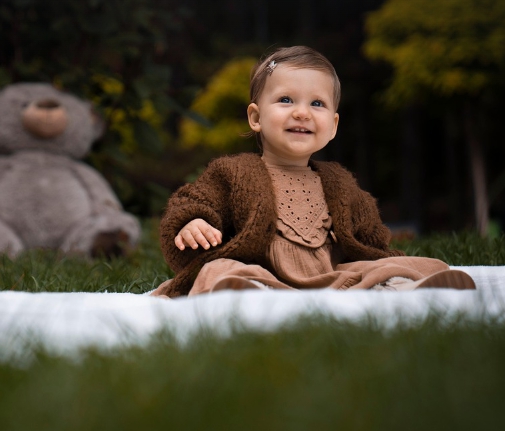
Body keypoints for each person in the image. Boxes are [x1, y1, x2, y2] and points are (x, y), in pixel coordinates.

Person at [152, 46, 475, 298]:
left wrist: (384, 261)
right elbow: (193, 202)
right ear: (256, 117)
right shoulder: (233, 172)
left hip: (333, 277)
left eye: (317, 104)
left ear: (332, 126)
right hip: (263, 274)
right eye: (286, 100)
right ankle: (248, 295)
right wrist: (192, 223)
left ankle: (400, 288)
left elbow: (370, 236)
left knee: (404, 266)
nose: (302, 113)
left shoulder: (339, 182)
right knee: (221, 269)